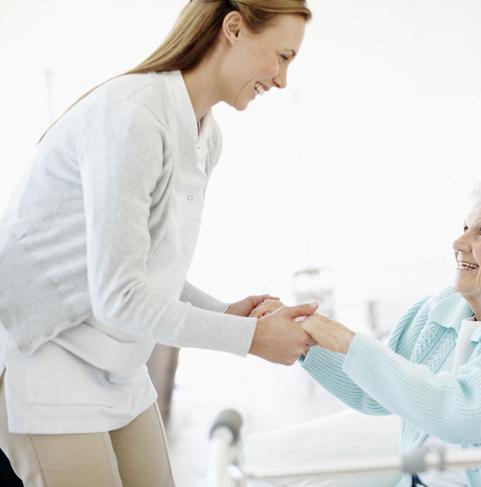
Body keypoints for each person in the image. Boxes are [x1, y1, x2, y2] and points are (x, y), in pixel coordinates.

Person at [0, 1, 315, 485]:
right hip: (47, 352)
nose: (282, 79)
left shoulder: (206, 136)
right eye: (283, 56)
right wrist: (250, 339)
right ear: (233, 28)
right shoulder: (135, 115)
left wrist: (226, 312)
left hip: (117, 361)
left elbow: (146, 267)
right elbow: (119, 295)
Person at [252, 174, 481, 487]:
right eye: (465, 227)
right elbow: (375, 391)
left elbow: (466, 412)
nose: (459, 243)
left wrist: (348, 340)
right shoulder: (442, 307)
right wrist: (306, 339)